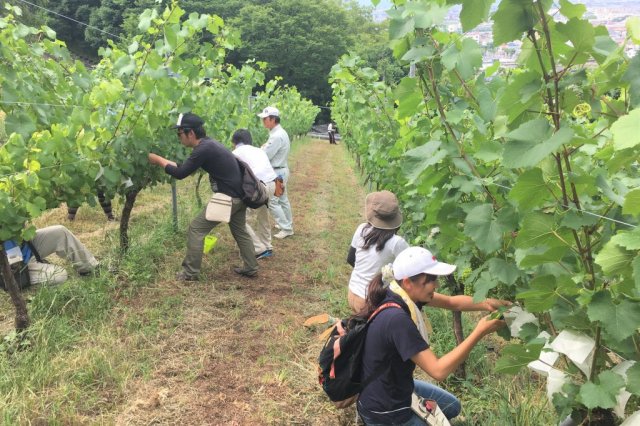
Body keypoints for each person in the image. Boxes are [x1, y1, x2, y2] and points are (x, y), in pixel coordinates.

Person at [357, 246, 509, 425]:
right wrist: (479, 331)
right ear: (408, 282)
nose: (436, 285)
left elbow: (453, 302)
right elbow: (438, 370)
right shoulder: (396, 319)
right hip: (385, 410)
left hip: (396, 385)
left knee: (452, 406)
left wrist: (487, 303)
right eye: (430, 281)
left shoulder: (401, 292)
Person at [148, 113, 259, 280]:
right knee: (240, 230)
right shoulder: (209, 144)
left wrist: (157, 160)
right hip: (241, 195)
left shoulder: (203, 149)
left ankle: (190, 273)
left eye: (179, 134)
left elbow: (180, 174)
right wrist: (162, 160)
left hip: (228, 198)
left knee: (196, 228)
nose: (179, 138)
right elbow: (183, 167)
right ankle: (251, 267)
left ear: (190, 133)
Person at [347, 190, 409, 314]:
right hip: (370, 300)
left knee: (359, 327)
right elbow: (411, 271)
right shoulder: (397, 242)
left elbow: (351, 259)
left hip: (352, 292)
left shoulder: (362, 229)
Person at [231, 129, 278, 260]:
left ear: (234, 142)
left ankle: (257, 248)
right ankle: (267, 246)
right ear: (249, 141)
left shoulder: (235, 153)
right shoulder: (258, 150)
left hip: (257, 187)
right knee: (263, 214)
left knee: (238, 219)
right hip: (272, 184)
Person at [2, 225, 99, 286]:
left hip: (27, 245)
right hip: (14, 264)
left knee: (60, 232)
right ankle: (23, 279)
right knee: (60, 275)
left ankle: (89, 267)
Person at [257, 106, 294, 239]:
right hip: (281, 171)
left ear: (273, 119)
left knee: (273, 201)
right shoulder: (279, 133)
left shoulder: (276, 136)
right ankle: (287, 224)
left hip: (277, 173)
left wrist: (261, 150)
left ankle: (286, 228)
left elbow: (265, 154)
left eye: (265, 119)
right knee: (283, 200)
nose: (263, 121)